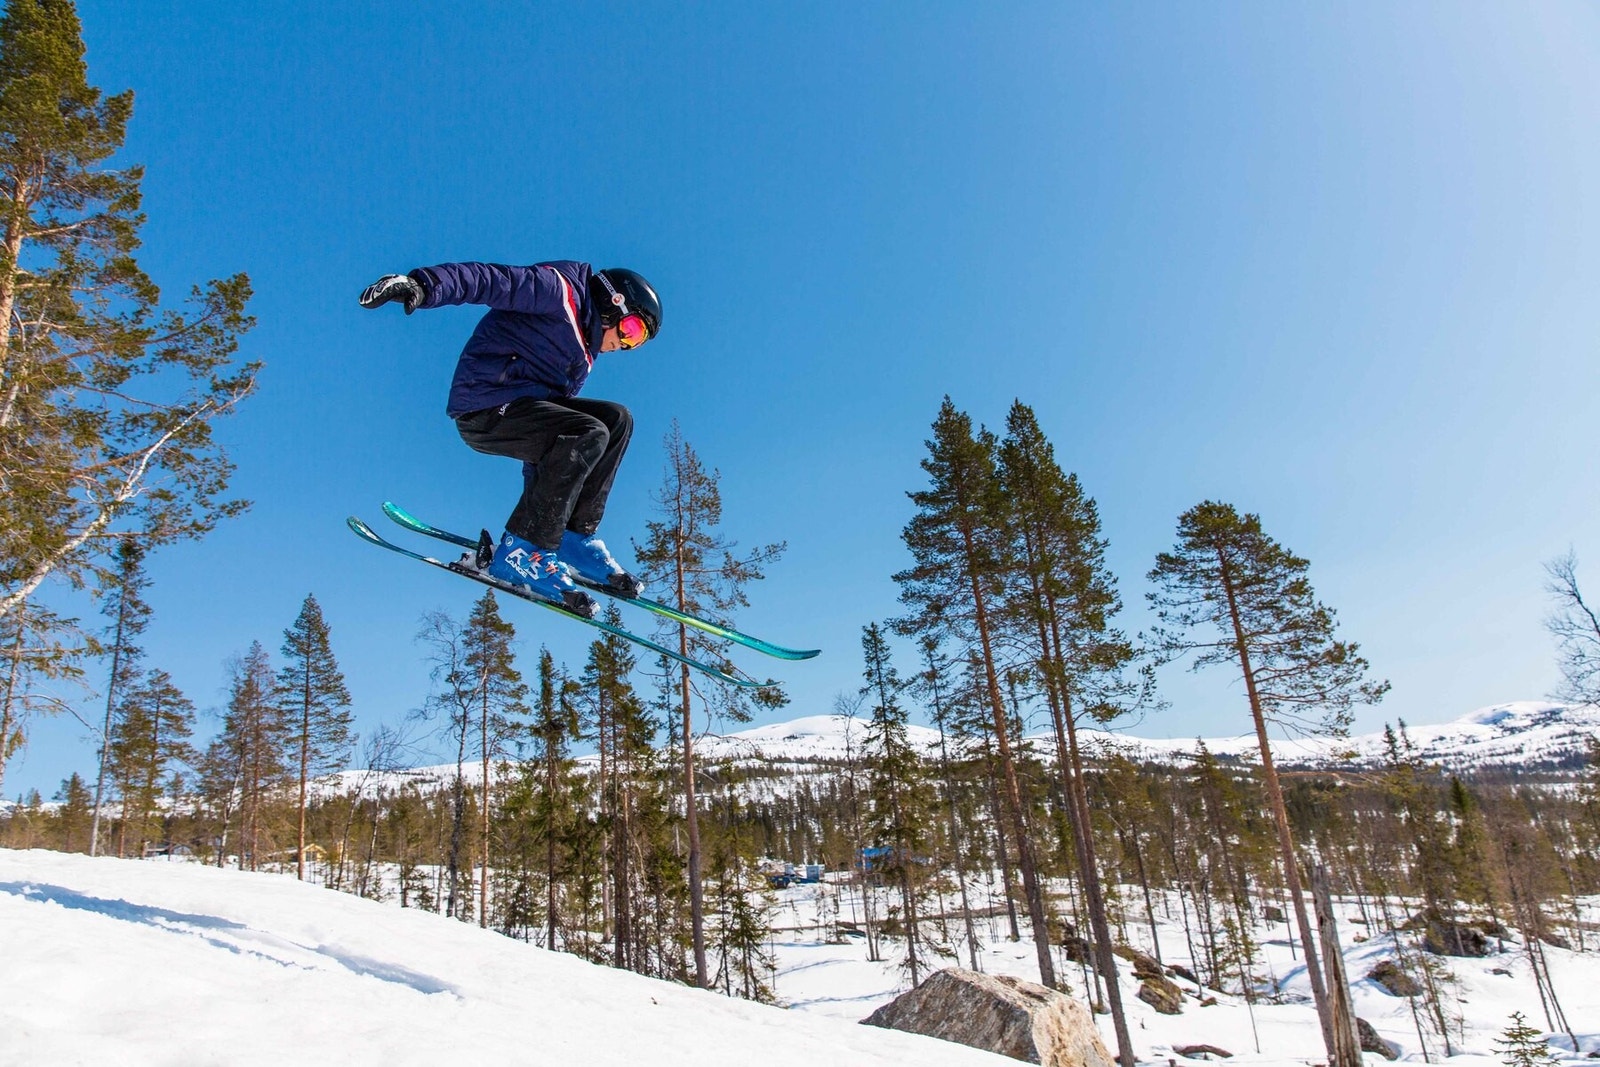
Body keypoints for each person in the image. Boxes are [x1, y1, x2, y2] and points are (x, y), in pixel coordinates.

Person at [358, 261, 661, 618]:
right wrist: (422, 285)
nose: (625, 345)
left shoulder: (584, 353)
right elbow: (488, 281)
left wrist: (548, 516)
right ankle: (522, 550)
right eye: (631, 330)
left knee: (616, 420)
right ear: (613, 302)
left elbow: (552, 444)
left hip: (523, 409)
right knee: (588, 432)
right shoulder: (555, 291)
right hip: (484, 407)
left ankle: (571, 537)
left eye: (637, 342)